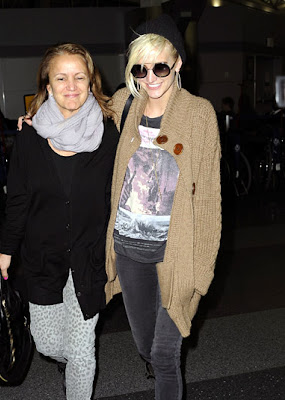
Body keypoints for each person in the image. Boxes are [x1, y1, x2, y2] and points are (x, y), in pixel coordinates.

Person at [0, 43, 119, 400]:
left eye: (80, 76)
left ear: (91, 81)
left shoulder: (109, 135)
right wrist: (6, 250)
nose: (71, 85)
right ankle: (76, 357)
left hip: (89, 257)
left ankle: (79, 364)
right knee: (47, 343)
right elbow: (18, 198)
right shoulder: (30, 137)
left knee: (81, 348)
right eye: (61, 77)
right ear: (47, 85)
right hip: (43, 257)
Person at [104, 14, 221, 400]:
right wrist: (35, 117)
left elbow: (207, 197)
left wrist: (202, 270)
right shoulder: (126, 104)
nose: (149, 77)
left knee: (165, 354)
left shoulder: (199, 113)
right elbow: (81, 104)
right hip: (130, 251)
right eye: (139, 68)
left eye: (160, 66)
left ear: (179, 64)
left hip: (177, 256)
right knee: (145, 347)